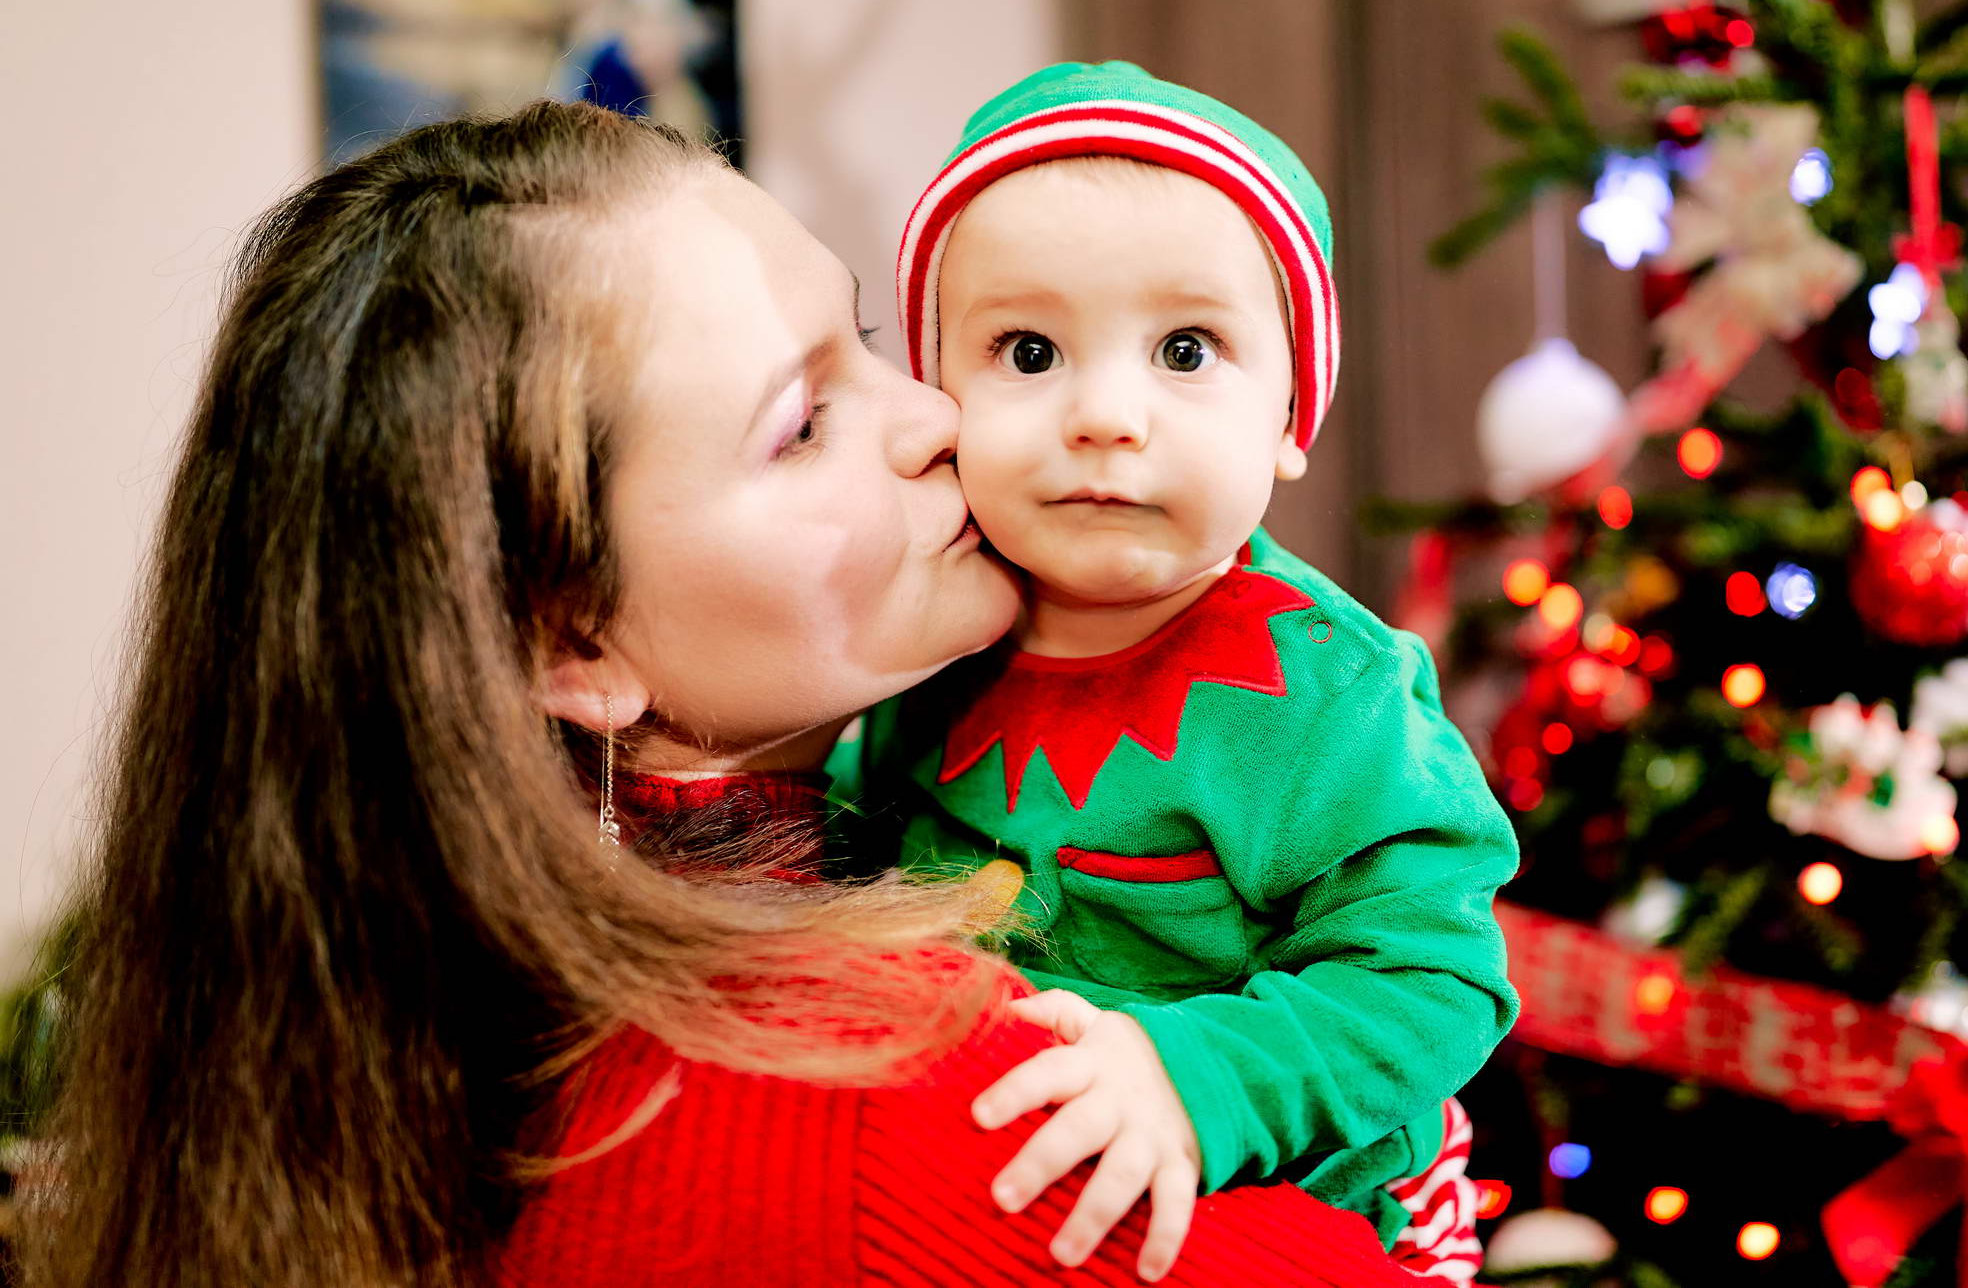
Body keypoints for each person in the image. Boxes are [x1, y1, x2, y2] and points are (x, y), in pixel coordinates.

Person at [24, 99, 1424, 1288]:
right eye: (805, 420)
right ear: (574, 644)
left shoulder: (427, 992)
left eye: (871, 337)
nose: (937, 415)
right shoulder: (872, 1092)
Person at [838, 62, 1520, 1281]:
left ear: (1288, 419)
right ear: (939, 399)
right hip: (998, 1177)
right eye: (1029, 350)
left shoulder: (1330, 696)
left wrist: (1198, 1077)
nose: (1106, 414)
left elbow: (1434, 977)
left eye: (1187, 349)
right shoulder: (929, 630)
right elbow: (857, 838)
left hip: (1315, 1202)